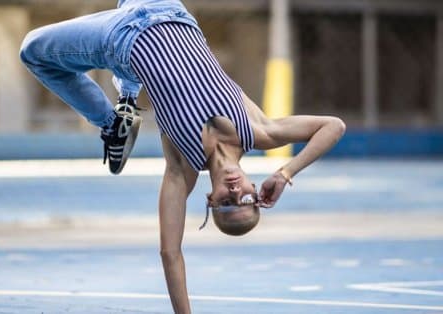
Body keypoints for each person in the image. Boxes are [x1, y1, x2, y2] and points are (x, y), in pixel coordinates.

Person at [19, 0, 346, 312]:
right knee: (132, 71)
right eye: (245, 201)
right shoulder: (258, 131)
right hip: (171, 11)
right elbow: (333, 126)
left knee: (33, 51)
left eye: (226, 203)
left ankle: (110, 123)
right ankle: (128, 97)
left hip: (123, 35)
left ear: (210, 199)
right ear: (255, 191)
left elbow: (170, 253)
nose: (235, 193)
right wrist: (286, 173)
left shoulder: (182, 165)